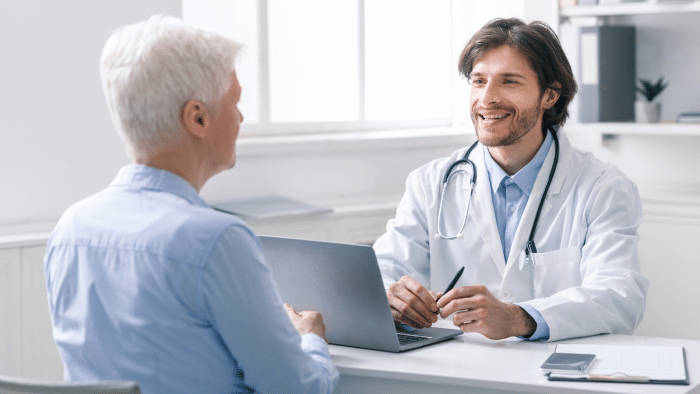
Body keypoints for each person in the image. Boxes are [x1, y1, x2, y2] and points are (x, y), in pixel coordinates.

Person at [43, 15, 338, 393]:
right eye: (235, 100)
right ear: (197, 117)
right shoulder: (216, 240)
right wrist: (311, 339)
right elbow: (298, 389)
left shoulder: (71, 228)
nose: (241, 116)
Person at [374, 18, 649, 342]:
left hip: (555, 376)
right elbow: (379, 271)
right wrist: (391, 295)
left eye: (509, 82)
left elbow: (619, 297)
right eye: (478, 81)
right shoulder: (430, 183)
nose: (487, 98)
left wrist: (521, 318)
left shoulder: (603, 189)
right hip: (454, 370)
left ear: (550, 95)